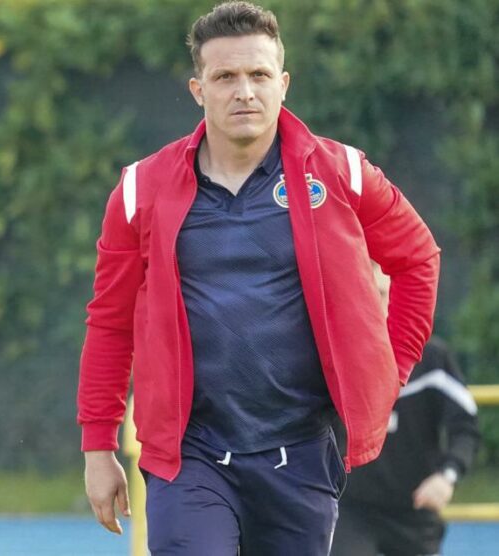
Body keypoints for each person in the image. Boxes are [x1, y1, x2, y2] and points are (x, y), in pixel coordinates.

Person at [76, 2, 440, 554]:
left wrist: (391, 368)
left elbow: (418, 260)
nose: (244, 91)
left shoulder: (341, 172)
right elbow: (109, 323)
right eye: (225, 77)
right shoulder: (138, 191)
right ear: (198, 89)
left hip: (303, 458)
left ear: (283, 83)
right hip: (189, 459)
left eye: (259, 75)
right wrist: (99, 446)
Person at [332, 266, 480, 556]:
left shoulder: (433, 359)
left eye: (384, 293)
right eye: (367, 295)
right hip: (351, 511)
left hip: (413, 513)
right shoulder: (335, 358)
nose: (376, 304)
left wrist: (446, 475)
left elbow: (466, 429)